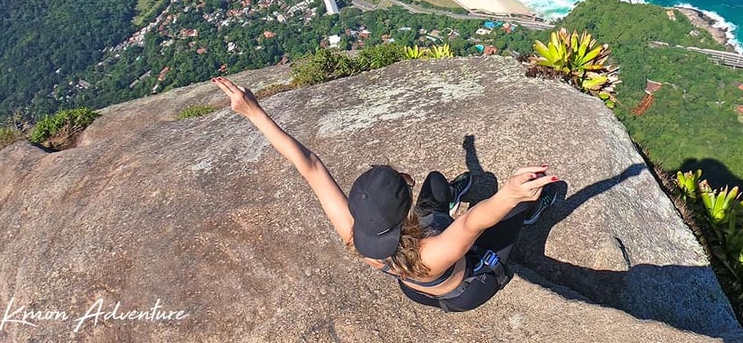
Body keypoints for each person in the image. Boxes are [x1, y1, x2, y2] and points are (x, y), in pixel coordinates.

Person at [211, 76, 560, 312]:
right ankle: (531, 210)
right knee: (509, 209)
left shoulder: (355, 234)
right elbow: (473, 220)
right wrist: (514, 193)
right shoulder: (432, 252)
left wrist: (253, 112)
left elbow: (311, 167)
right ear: (404, 206)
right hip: (464, 288)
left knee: (437, 184)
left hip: (414, 289)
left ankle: (460, 204)